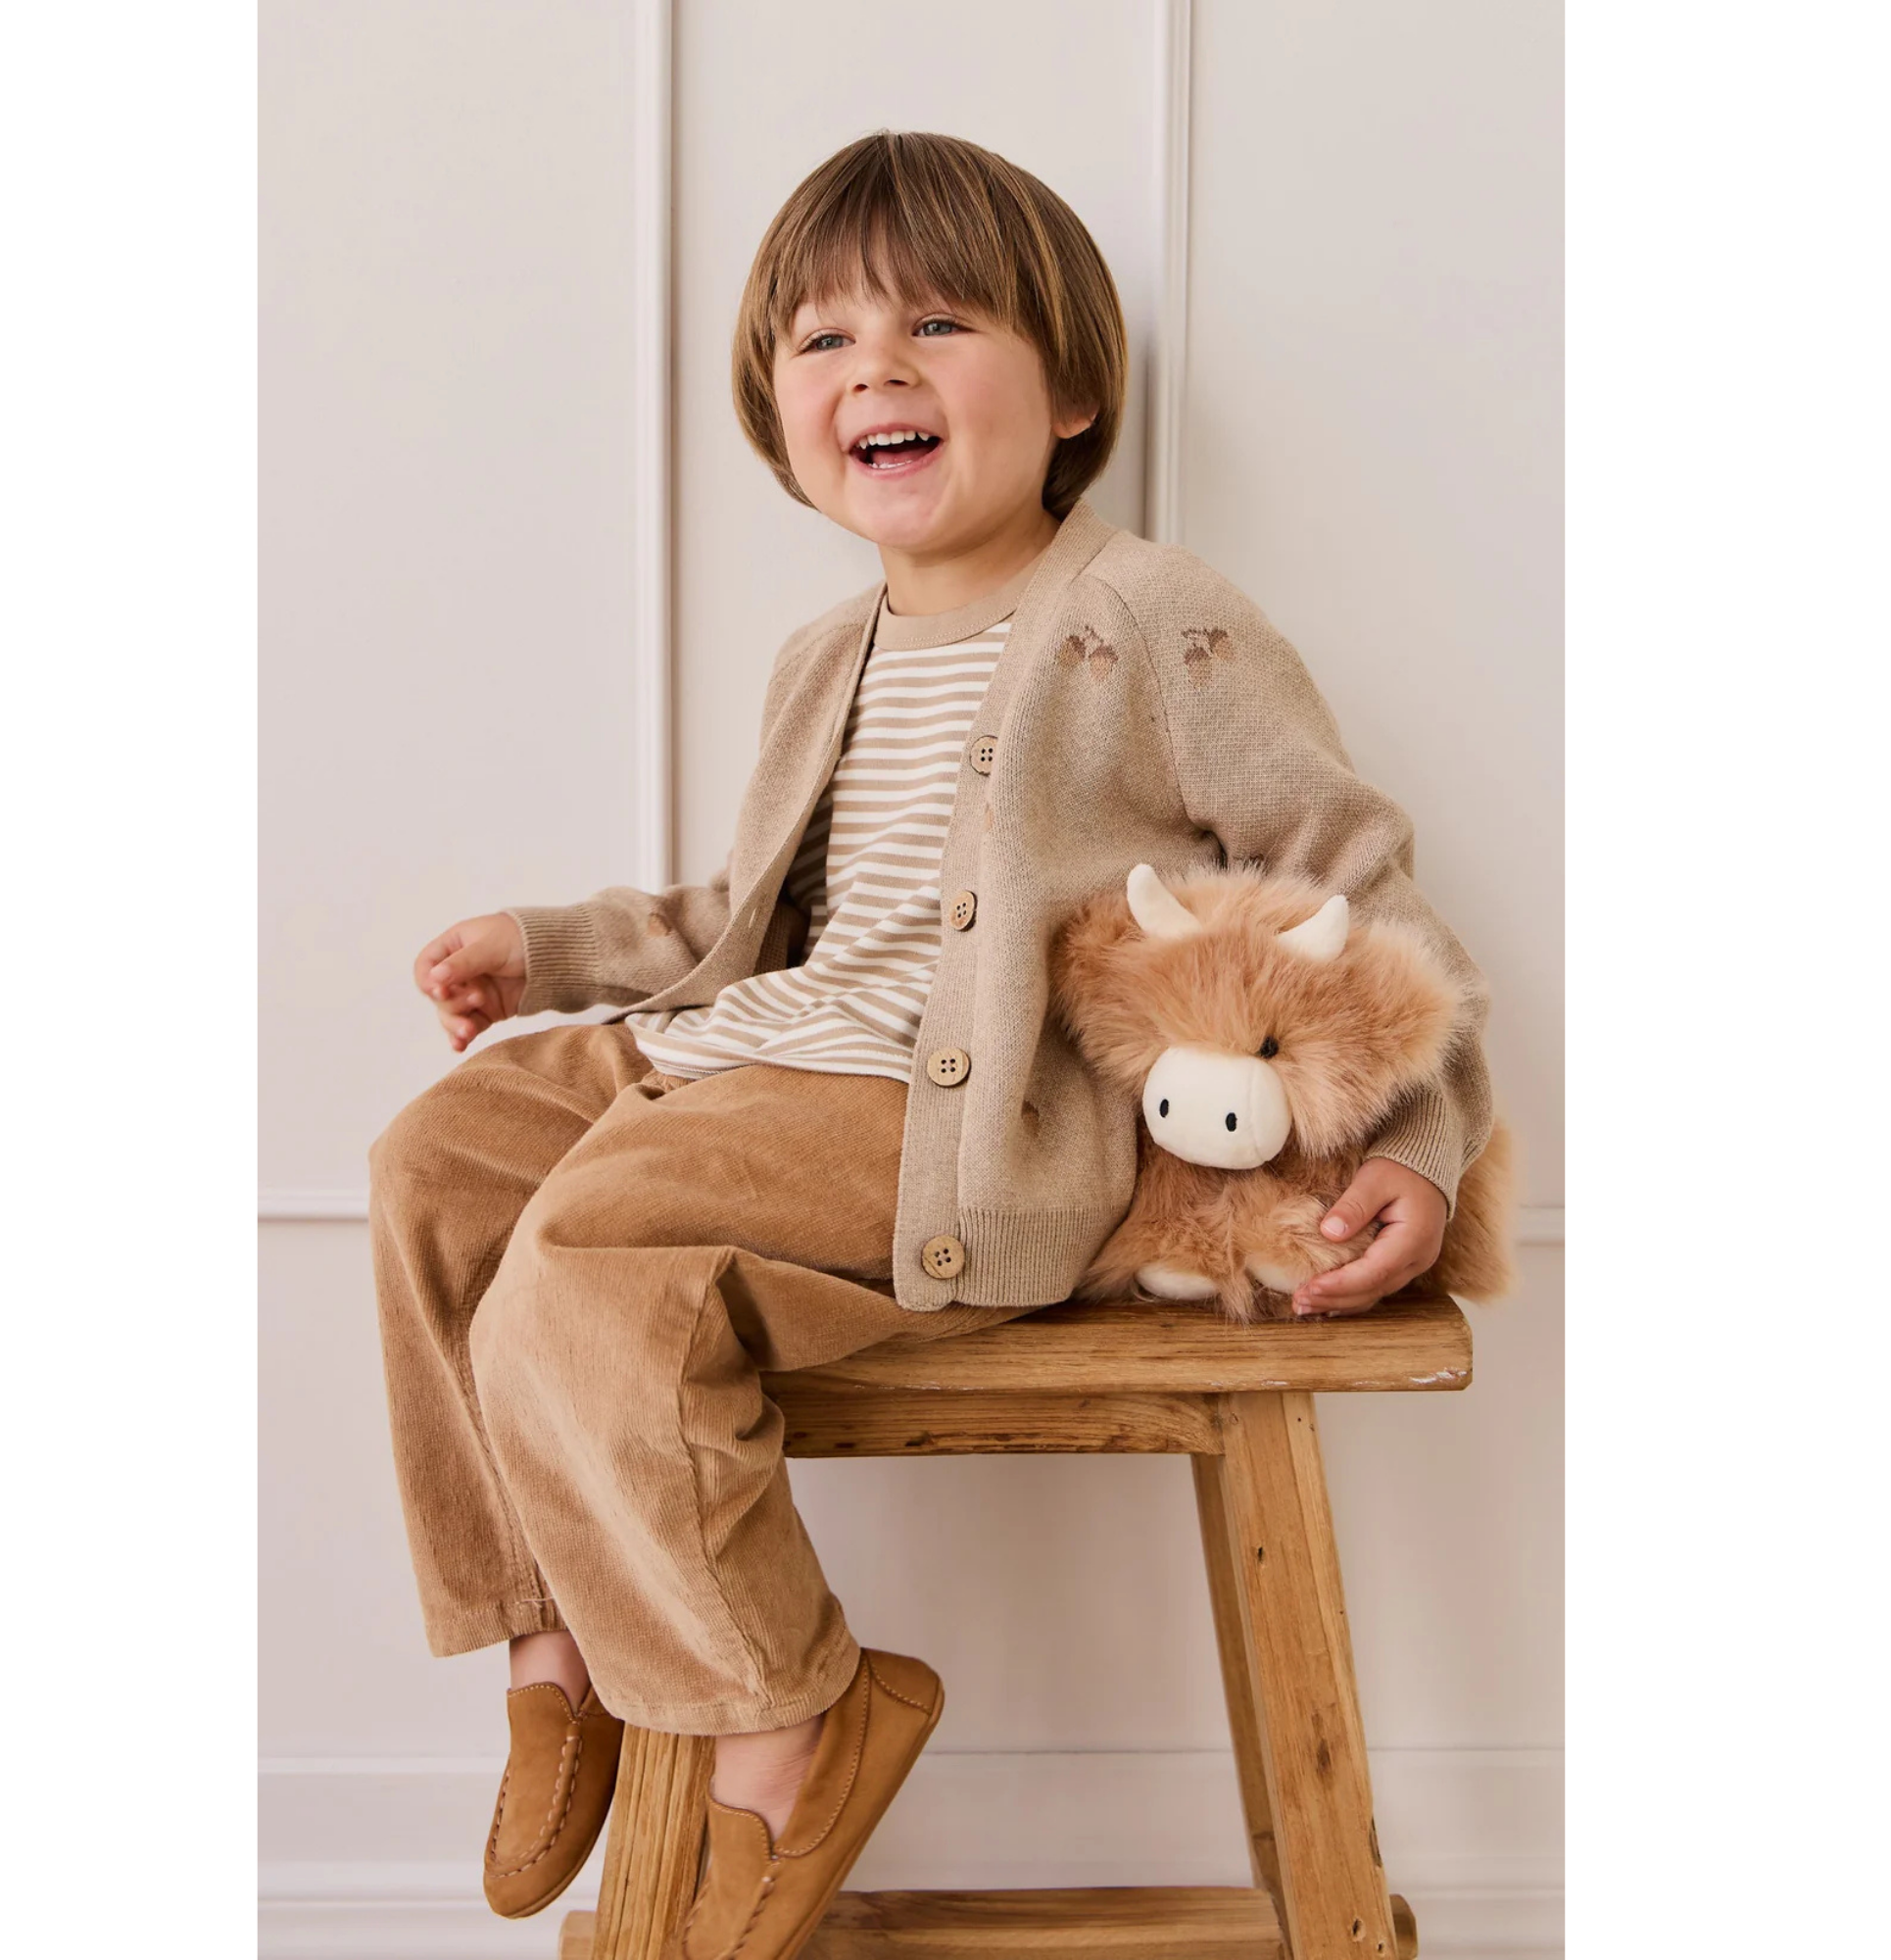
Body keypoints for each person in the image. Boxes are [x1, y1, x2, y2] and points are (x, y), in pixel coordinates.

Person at [368, 130, 1492, 1957]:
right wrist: (554, 948)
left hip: (929, 1111)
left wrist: (1419, 1148)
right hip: (747, 1043)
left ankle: (789, 1717)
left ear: (1068, 391)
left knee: (583, 1255)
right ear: (778, 412)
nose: (872, 370)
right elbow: (749, 916)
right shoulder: (827, 653)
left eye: (937, 323)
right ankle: (551, 1643)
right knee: (432, 1168)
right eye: (820, 344)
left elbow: (1349, 884)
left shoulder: (1152, 619)